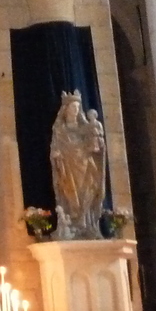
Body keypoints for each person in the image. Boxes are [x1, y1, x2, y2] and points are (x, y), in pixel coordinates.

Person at [49, 91, 106, 239]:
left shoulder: (86, 127)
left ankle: (87, 224)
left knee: (88, 191)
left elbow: (96, 144)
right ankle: (71, 223)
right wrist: (57, 155)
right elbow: (55, 148)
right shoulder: (60, 130)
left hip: (85, 165)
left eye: (77, 107)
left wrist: (98, 144)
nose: (75, 110)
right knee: (69, 193)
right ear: (66, 109)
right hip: (68, 168)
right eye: (72, 107)